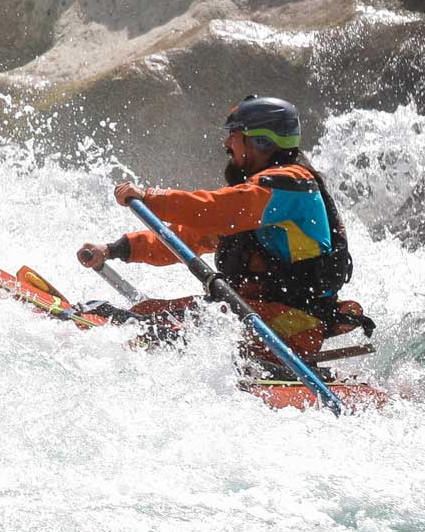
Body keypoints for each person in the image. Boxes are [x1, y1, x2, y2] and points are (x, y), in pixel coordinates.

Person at [77, 95, 374, 364]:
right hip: (261, 318)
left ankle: (95, 325)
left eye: (235, 135)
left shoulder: (290, 188)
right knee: (148, 312)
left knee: (155, 322)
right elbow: (185, 237)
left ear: (262, 143)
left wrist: (150, 198)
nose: (227, 145)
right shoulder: (258, 203)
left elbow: (212, 211)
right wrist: (114, 249)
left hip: (296, 325)